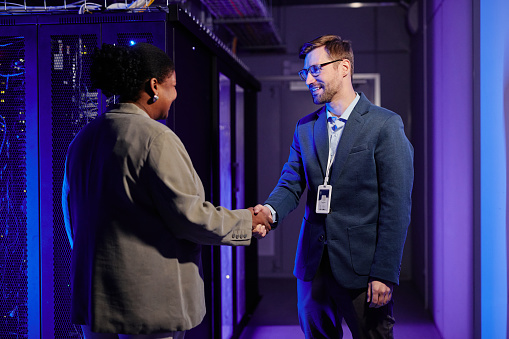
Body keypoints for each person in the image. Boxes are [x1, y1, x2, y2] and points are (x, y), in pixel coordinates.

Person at [61, 43, 271, 339]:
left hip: (94, 303)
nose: (176, 95)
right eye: (173, 86)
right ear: (154, 86)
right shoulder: (156, 138)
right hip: (146, 307)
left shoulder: (82, 139)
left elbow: (71, 219)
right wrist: (248, 221)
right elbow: (190, 216)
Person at [254, 35, 414, 338]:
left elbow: (397, 206)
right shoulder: (305, 127)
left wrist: (384, 272)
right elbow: (291, 182)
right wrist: (269, 211)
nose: (308, 79)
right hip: (313, 266)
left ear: (344, 67)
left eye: (315, 69)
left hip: (363, 269)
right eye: (305, 72)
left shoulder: (385, 125)